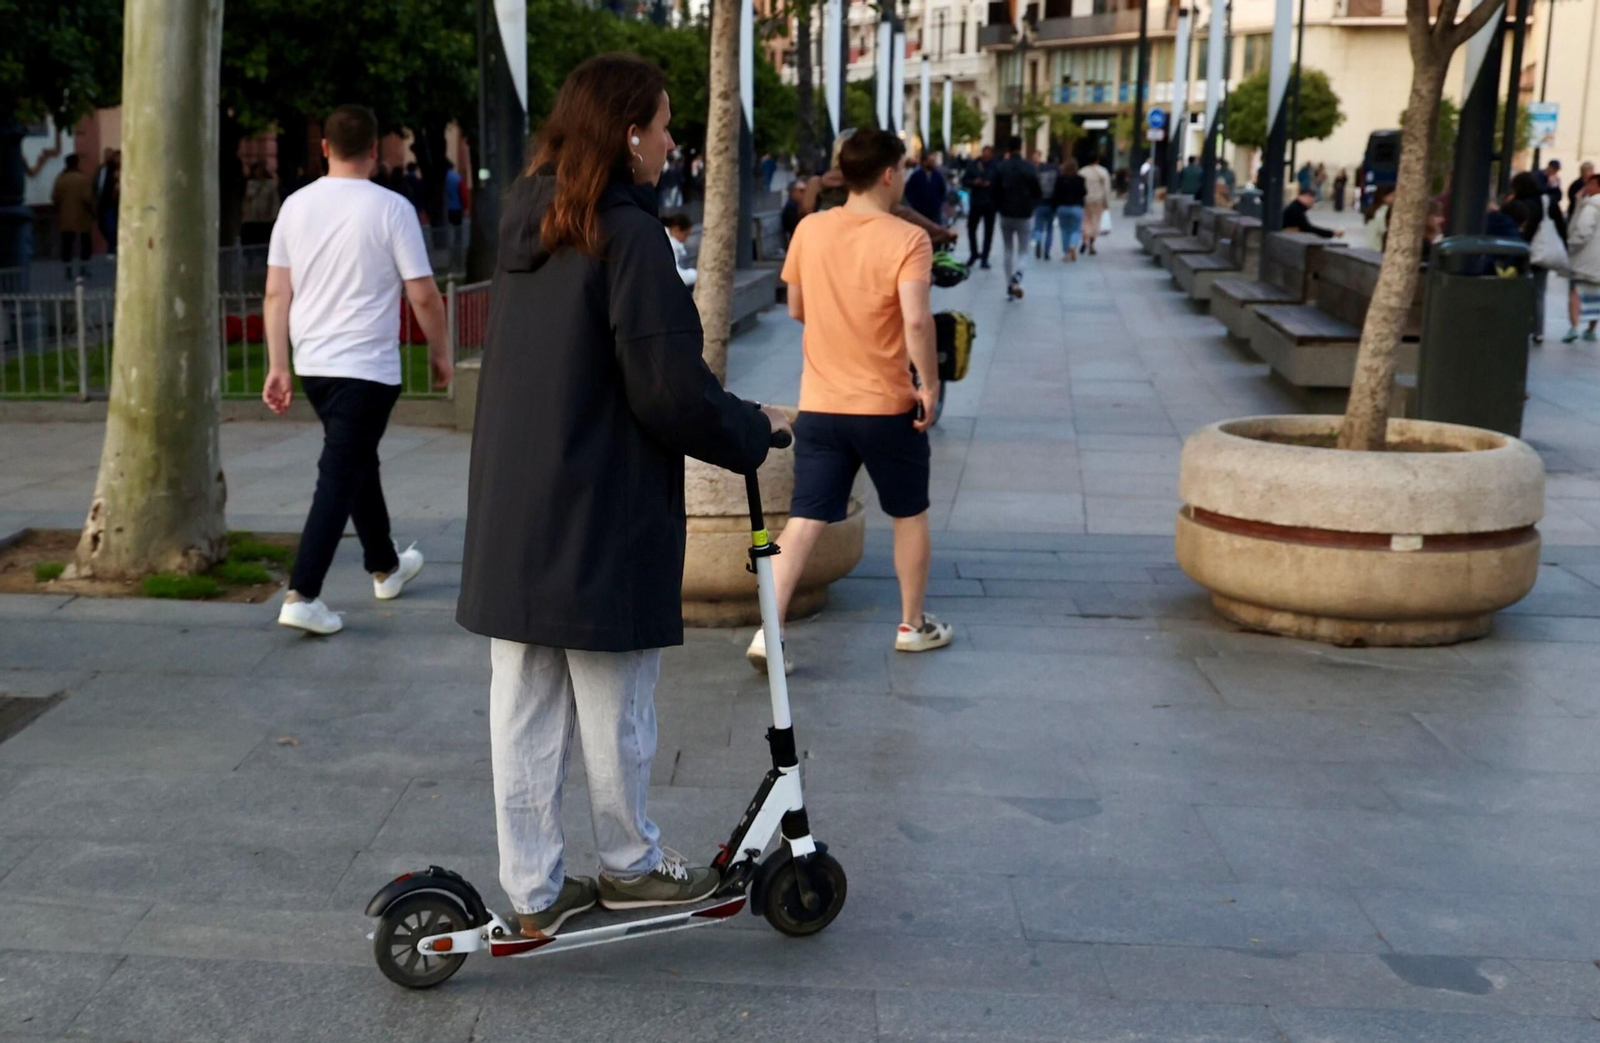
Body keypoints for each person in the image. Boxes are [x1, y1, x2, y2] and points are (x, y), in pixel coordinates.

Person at [457, 54, 788, 939]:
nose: (673, 140)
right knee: (615, 703)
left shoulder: (527, 219)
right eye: (665, 124)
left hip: (516, 506)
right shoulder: (629, 235)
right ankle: (629, 865)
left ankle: (530, 889)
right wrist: (749, 431)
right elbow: (668, 388)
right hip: (603, 506)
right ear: (629, 132)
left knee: (523, 703)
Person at [749, 126, 951, 675]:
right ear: (889, 173)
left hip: (821, 404)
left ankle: (771, 631)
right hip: (887, 406)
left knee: (806, 520)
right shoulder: (908, 240)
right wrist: (928, 386)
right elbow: (915, 319)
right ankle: (912, 624)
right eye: (903, 168)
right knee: (908, 515)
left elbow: (795, 309)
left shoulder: (812, 229)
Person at [262, 105, 451, 635]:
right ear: (375, 149)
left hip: (314, 365)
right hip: (368, 367)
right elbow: (424, 295)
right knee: (340, 474)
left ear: (324, 147)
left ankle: (385, 565)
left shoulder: (295, 207)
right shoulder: (392, 209)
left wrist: (278, 364)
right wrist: (440, 353)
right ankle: (303, 593)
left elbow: (277, 292)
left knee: (355, 462)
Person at [803, 131, 955, 246]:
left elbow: (805, 214)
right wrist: (942, 233)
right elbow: (901, 211)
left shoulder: (817, 186)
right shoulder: (867, 184)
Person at [1504, 171, 1558, 342]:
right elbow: (1560, 225)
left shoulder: (1518, 204)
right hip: (1543, 251)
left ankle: (1519, 324)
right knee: (1539, 292)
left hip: (1522, 251)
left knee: (1519, 289)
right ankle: (1538, 330)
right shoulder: (1547, 200)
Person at [992, 136, 1040, 300]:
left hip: (1006, 213)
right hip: (1024, 213)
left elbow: (994, 190)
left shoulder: (1001, 167)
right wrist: (1033, 205)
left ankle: (1009, 286)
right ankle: (1018, 275)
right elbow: (1037, 190)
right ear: (1021, 147)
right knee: (1024, 250)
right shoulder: (1029, 167)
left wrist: (999, 206)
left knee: (1007, 249)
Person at [1562, 172, 1600, 343]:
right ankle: (1591, 329)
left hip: (1586, 257)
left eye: (1590, 184)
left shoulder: (1591, 206)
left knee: (1576, 290)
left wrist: (1571, 245)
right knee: (1597, 295)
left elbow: (1582, 231)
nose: (1587, 187)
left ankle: (1574, 327)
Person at [51, 154, 95, 281]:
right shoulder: (83, 179)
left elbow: (55, 198)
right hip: (82, 217)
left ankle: (68, 270)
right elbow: (88, 199)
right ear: (77, 163)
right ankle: (84, 269)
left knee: (67, 245)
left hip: (65, 217)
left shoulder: (60, 179)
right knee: (85, 243)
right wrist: (93, 212)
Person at [963, 145, 998, 268]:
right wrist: (974, 182)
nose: (986, 155)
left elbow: (1000, 183)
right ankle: (974, 253)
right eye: (984, 152)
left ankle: (985, 258)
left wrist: (991, 185)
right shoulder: (974, 164)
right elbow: (965, 180)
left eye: (988, 153)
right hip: (976, 201)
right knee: (971, 229)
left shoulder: (996, 166)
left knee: (988, 232)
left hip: (990, 202)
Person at [1053, 158, 1087, 262]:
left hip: (1062, 208)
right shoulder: (1080, 179)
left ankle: (1066, 253)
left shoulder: (1060, 178)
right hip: (1076, 207)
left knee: (1064, 231)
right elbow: (1084, 192)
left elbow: (1056, 193)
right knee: (1076, 230)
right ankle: (1073, 245)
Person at [241, 162, 281, 246]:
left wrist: (274, 216)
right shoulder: (251, 183)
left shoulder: (270, 184)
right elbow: (249, 196)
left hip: (265, 219)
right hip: (251, 219)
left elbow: (274, 200)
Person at [904, 151, 947, 226]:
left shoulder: (938, 176)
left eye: (933, 161)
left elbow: (942, 190)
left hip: (934, 211)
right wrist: (915, 203)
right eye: (931, 161)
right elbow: (909, 191)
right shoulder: (916, 176)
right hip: (920, 212)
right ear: (924, 162)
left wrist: (938, 203)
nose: (933, 163)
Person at [1080, 154, 1111, 256]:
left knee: (1085, 220)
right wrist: (1106, 202)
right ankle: (1091, 245)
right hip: (1098, 200)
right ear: (1097, 161)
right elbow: (1106, 189)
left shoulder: (1082, 171)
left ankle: (1084, 240)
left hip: (1085, 199)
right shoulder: (1103, 172)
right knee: (1095, 221)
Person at [1031, 150, 1059, 259]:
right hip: (1051, 204)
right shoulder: (1057, 171)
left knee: (1038, 226)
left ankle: (1038, 242)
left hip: (1040, 202)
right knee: (1049, 228)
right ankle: (1047, 251)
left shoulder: (1040, 170)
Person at [93, 148, 119, 259]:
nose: (107, 157)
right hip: (102, 201)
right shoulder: (101, 169)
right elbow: (97, 183)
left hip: (112, 201)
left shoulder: (114, 170)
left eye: (110, 155)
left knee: (111, 226)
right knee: (103, 225)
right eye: (106, 154)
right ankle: (112, 247)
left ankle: (112, 249)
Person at [1357, 183, 1395, 253]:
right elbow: (1383, 230)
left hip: (1368, 247)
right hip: (1378, 249)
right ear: (1384, 196)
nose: (1395, 198)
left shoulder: (1372, 210)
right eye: (1392, 195)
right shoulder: (1384, 211)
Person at [661, 212, 697, 286]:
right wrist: (696, 275)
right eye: (685, 235)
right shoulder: (671, 245)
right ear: (676, 230)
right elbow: (677, 275)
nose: (685, 239)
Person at [443, 159, 465, 249]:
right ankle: (457, 246)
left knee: (444, 229)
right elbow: (463, 194)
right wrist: (465, 206)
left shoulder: (441, 178)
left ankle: (445, 244)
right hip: (456, 207)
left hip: (445, 208)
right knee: (457, 230)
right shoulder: (457, 178)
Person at [781, 177, 807, 245]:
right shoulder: (791, 208)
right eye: (801, 191)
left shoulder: (797, 206)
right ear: (793, 192)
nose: (805, 194)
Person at [1569, 161, 1594, 226]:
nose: (1591, 173)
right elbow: (1574, 198)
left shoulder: (1593, 184)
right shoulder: (1577, 184)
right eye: (1589, 171)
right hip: (1577, 211)